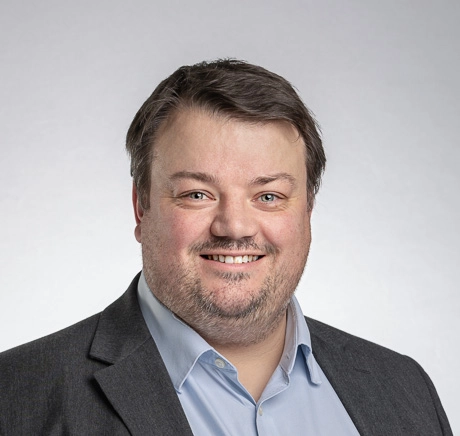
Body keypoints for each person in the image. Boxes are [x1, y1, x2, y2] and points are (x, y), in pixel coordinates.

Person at [0, 59, 452, 435]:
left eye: (268, 196)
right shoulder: (17, 398)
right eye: (197, 194)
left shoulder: (403, 390)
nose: (234, 226)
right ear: (141, 208)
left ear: (308, 211)